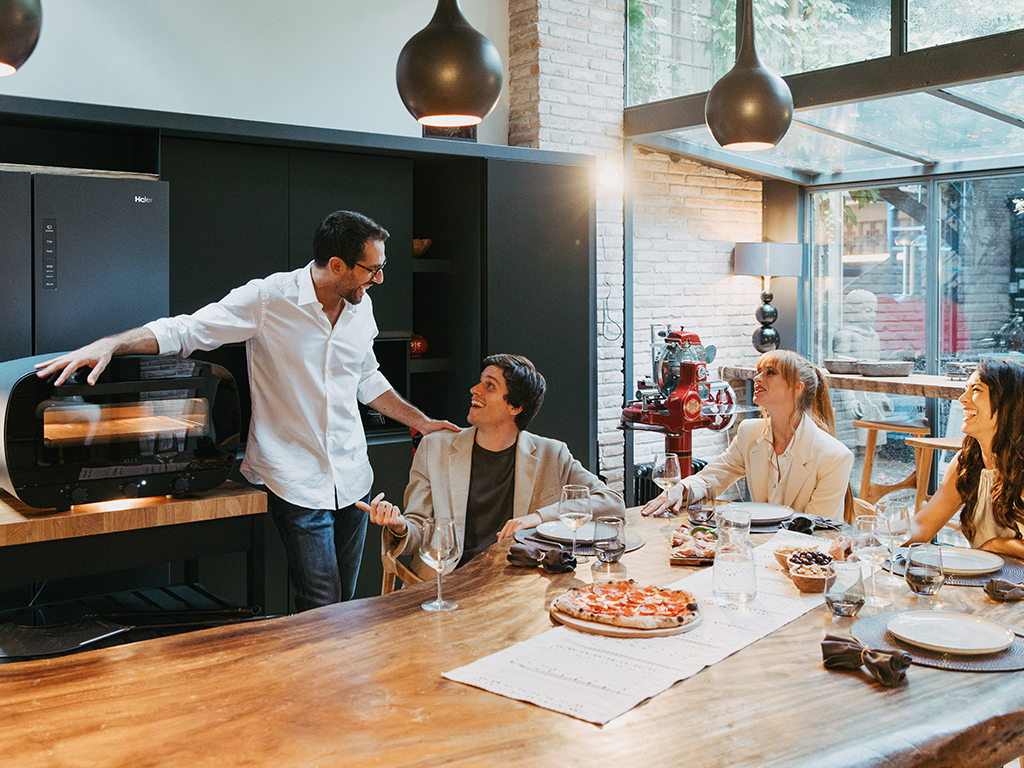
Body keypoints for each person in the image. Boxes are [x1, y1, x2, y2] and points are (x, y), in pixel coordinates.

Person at [34, 210, 459, 611]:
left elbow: (366, 376)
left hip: (352, 478)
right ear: (336, 265)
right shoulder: (269, 299)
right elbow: (189, 329)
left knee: (343, 605)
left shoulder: (359, 303)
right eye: (371, 269)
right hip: (294, 477)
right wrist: (112, 343)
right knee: (322, 607)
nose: (379, 279)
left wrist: (420, 422)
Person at [359, 354, 624, 580]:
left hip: (513, 586)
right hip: (445, 587)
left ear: (515, 406)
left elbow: (612, 502)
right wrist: (399, 526)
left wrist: (538, 517)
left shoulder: (551, 454)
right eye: (480, 381)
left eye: (490, 386)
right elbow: (418, 529)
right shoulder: (434, 448)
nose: (475, 389)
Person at [641, 349, 854, 521]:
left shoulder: (835, 457)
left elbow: (814, 528)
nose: (756, 377)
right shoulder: (749, 432)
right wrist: (681, 488)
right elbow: (712, 478)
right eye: (758, 371)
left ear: (798, 388)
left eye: (770, 373)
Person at [906, 360, 1024, 557]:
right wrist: (868, 539)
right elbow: (921, 526)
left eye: (976, 390)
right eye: (965, 389)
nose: (962, 398)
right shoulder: (967, 462)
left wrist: (997, 545)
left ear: (1007, 402)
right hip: (987, 584)